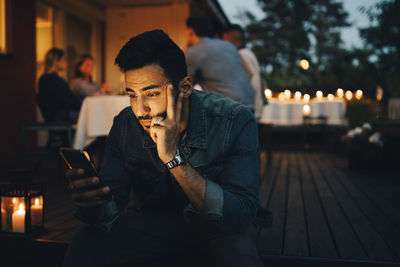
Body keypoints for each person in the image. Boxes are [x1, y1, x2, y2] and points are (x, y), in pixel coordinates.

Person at [63, 30, 271, 267]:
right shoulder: (125, 124)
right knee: (87, 241)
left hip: (221, 227)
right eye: (132, 95)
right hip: (157, 223)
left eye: (151, 93)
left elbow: (240, 214)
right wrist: (92, 202)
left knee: (238, 254)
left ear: (185, 87)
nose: (140, 109)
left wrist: (174, 160)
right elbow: (111, 211)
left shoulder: (234, 120)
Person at [185, 15, 255, 110]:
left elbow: (185, 85)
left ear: (190, 31)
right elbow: (250, 73)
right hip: (249, 105)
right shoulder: (228, 45)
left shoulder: (194, 51)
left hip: (230, 108)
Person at [223, 24, 265, 120]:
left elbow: (247, 76)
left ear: (230, 37)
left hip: (247, 108)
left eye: (224, 39)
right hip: (254, 108)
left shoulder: (240, 55)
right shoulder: (248, 53)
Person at [37, 48, 81, 123]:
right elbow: (63, 101)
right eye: (64, 59)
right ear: (56, 61)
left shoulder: (52, 78)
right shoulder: (48, 79)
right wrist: (80, 104)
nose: (67, 62)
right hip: (60, 117)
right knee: (92, 117)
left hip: (62, 114)